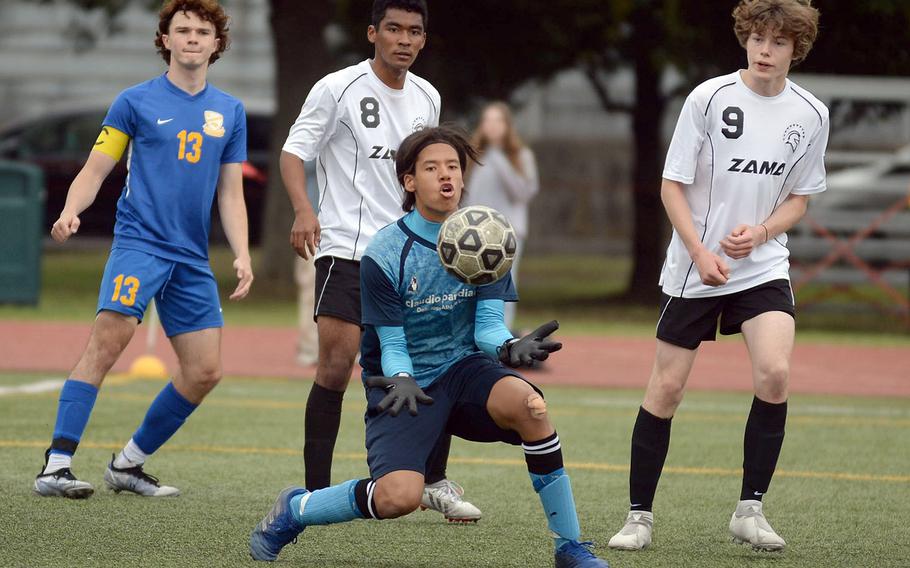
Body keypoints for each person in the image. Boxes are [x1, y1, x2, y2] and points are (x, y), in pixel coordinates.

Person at [249, 125, 610, 568]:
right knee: (398, 498)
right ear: (409, 181)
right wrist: (401, 377)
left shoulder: (488, 235)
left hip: (463, 368)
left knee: (532, 407)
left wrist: (509, 347)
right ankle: (296, 508)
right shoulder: (385, 251)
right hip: (403, 382)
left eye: (454, 167)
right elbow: (391, 342)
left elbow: (488, 327)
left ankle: (569, 547)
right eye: (432, 167)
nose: (446, 176)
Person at [608, 0, 827, 552]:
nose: (764, 50)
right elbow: (670, 186)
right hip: (696, 268)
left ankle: (750, 510)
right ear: (745, 40)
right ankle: (639, 517)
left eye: (778, 42)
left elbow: (799, 200)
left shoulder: (811, 114)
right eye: (757, 38)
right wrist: (701, 253)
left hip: (763, 266)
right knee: (667, 388)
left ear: (795, 49)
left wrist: (760, 234)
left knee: (775, 373)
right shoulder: (708, 98)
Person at [33, 0, 252, 498]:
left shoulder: (230, 110)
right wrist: (72, 210)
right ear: (166, 40)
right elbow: (95, 169)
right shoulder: (133, 102)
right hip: (139, 245)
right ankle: (56, 464)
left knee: (204, 371)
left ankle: (127, 464)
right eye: (183, 30)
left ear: (216, 44)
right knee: (105, 348)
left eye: (202, 31)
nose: (193, 38)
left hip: (192, 258)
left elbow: (230, 193)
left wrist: (241, 253)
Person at [280, 0, 480, 521]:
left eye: (415, 31)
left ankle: (433, 482)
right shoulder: (337, 87)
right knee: (336, 365)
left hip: (411, 251)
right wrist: (304, 209)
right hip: (348, 248)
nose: (404, 39)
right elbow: (292, 153)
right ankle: (312, 493)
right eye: (393, 29)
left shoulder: (427, 95)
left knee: (431, 361)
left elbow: (428, 168)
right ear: (373, 33)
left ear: (423, 40)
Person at [464, 101, 539, 330]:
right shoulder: (473, 156)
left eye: (498, 120)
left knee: (504, 287)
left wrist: (499, 158)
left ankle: (501, 335)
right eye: (488, 120)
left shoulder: (521, 156)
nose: (492, 126)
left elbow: (523, 192)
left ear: (507, 125)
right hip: (475, 235)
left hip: (508, 234)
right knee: (472, 288)